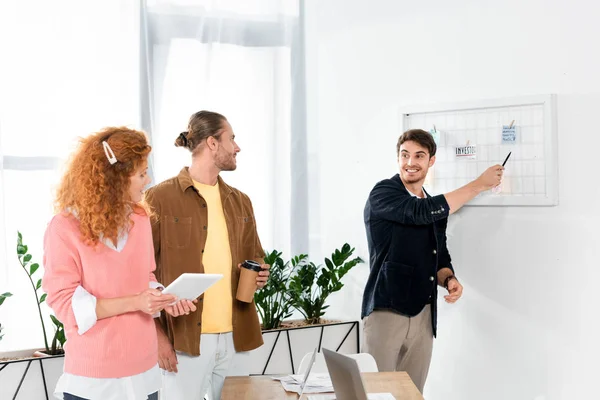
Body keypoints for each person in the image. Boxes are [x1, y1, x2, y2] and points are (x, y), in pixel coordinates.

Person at [42, 127, 195, 400]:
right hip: (93, 381)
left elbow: (145, 276)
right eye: (141, 174)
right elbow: (66, 304)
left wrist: (163, 298)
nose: (147, 181)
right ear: (115, 178)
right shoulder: (64, 227)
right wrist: (136, 301)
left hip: (144, 373)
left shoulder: (139, 219)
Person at [361, 129, 504, 392]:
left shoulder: (434, 205)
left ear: (431, 161)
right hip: (386, 311)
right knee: (375, 394)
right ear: (398, 158)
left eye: (419, 155)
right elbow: (418, 213)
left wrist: (449, 278)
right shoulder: (384, 192)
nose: (410, 162)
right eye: (405, 155)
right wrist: (479, 184)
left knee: (413, 393)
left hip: (424, 314)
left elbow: (440, 255)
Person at [144, 110, 270, 400]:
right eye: (232, 139)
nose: (237, 147)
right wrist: (158, 338)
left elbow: (256, 256)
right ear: (212, 143)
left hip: (237, 338)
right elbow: (139, 274)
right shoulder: (158, 199)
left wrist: (260, 273)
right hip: (184, 340)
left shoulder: (240, 201)